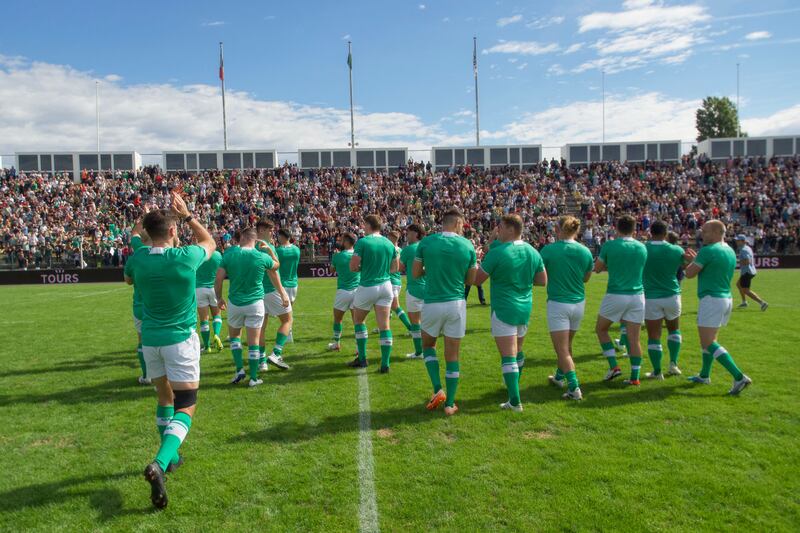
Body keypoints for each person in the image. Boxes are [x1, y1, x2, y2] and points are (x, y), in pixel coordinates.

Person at [123, 191, 216, 509]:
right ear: (174, 231)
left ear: (148, 233)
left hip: (150, 339)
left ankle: (172, 456)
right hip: (180, 339)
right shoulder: (186, 256)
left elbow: (128, 272)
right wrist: (188, 214)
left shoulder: (137, 258)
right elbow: (210, 243)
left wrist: (141, 225)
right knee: (186, 404)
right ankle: (160, 463)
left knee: (164, 398)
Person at [474, 214, 546, 412]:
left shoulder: (498, 254)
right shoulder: (532, 251)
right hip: (524, 307)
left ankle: (515, 401)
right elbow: (542, 280)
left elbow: (477, 280)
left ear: (511, 230)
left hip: (505, 307)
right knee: (517, 350)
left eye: (501, 227)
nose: (498, 230)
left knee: (508, 355)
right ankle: (513, 385)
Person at [413, 208, 477, 415]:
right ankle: (450, 403)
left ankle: (437, 389)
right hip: (456, 304)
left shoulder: (426, 243)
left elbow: (415, 274)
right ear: (459, 224)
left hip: (432, 302)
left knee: (428, 345)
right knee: (453, 355)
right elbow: (471, 280)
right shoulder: (468, 245)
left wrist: (431, 270)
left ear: (443, 222)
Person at [684, 221, 752, 394]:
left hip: (711, 299)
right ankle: (704, 375)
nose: (702, 234)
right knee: (707, 340)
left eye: (705, 231)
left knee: (708, 342)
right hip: (724, 298)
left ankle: (738, 376)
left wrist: (691, 262)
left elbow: (689, 274)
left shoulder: (707, 251)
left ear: (715, 232)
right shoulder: (729, 250)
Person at [215, 227, 286, 387]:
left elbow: (218, 279)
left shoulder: (229, 254)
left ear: (241, 239)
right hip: (255, 304)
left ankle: (239, 369)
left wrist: (219, 298)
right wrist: (270, 251)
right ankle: (253, 378)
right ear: (255, 240)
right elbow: (276, 265)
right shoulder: (261, 256)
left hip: (235, 303)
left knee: (235, 338)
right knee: (253, 342)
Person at [540, 216, 594, 401]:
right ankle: (559, 377)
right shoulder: (585, 251)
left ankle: (574, 387)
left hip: (558, 303)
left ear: (558, 229)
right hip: (578, 302)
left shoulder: (549, 250)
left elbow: (540, 275)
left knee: (562, 349)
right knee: (567, 345)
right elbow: (586, 278)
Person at [594, 215, 648, 385]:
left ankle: (614, 366)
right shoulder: (641, 247)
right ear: (634, 229)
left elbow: (597, 269)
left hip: (616, 293)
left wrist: (612, 263)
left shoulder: (610, 245)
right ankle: (635, 378)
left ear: (617, 228)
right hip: (638, 296)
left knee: (601, 330)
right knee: (634, 339)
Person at [348, 214, 399, 372]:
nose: (363, 227)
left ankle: (362, 359)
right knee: (385, 326)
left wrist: (365, 268)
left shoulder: (363, 242)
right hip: (386, 286)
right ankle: (385, 364)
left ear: (369, 225)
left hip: (367, 286)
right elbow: (395, 268)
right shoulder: (389, 243)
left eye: (364, 224)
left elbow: (353, 267)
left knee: (359, 321)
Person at [642, 220, 691, 379]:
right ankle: (673, 364)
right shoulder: (677, 249)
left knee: (654, 335)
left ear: (650, 232)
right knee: (674, 329)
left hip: (651, 297)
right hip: (672, 294)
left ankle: (657, 372)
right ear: (666, 233)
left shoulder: (643, 248)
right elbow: (685, 266)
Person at [255, 221, 292, 371]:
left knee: (260, 328)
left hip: (258, 291)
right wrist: (282, 292)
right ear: (262, 230)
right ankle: (276, 353)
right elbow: (272, 271)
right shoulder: (266, 247)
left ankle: (262, 361)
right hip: (271, 289)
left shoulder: (253, 245)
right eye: (270, 230)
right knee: (288, 320)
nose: (273, 233)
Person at [129, 209, 151, 385]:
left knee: (142, 340)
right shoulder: (170, 251)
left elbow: (128, 280)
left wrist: (145, 217)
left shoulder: (138, 252)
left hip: (140, 305)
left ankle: (146, 375)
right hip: (162, 305)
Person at [328, 233, 360, 351]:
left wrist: (336, 257)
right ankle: (358, 348)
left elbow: (331, 270)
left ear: (346, 242)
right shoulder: (358, 255)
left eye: (342, 240)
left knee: (337, 319)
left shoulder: (338, 256)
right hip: (357, 291)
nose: (340, 242)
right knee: (358, 321)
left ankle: (337, 344)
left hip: (343, 291)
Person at [399, 224, 427, 359]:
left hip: (414, 289)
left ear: (416, 234)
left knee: (415, 323)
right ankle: (427, 351)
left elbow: (399, 267)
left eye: (408, 232)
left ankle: (419, 352)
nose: (406, 235)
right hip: (429, 289)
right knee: (428, 323)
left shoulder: (409, 249)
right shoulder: (428, 247)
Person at [195, 246, 224, 353]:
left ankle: (207, 346)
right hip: (213, 288)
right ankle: (216, 334)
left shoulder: (198, 255)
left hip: (199, 289)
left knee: (204, 320)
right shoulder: (217, 255)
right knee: (217, 315)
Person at [276, 228, 302, 342]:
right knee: (289, 310)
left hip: (282, 284)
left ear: (282, 236)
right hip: (293, 284)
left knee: (284, 314)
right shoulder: (296, 250)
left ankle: (288, 334)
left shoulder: (279, 251)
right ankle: (289, 333)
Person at [735, 234, 768, 311]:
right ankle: (744, 302)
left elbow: (747, 261)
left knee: (746, 290)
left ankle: (762, 303)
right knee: (738, 284)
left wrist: (737, 263)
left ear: (743, 241)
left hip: (747, 272)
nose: (736, 241)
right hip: (750, 271)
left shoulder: (743, 250)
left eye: (738, 240)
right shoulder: (747, 248)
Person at [464, 237, 487, 305]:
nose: (474, 244)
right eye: (472, 243)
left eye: (474, 243)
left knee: (479, 287)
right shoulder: (470, 251)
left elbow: (479, 254)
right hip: (471, 270)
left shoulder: (473, 250)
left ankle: (482, 300)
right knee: (468, 287)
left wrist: (479, 259)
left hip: (476, 271)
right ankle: (464, 299)